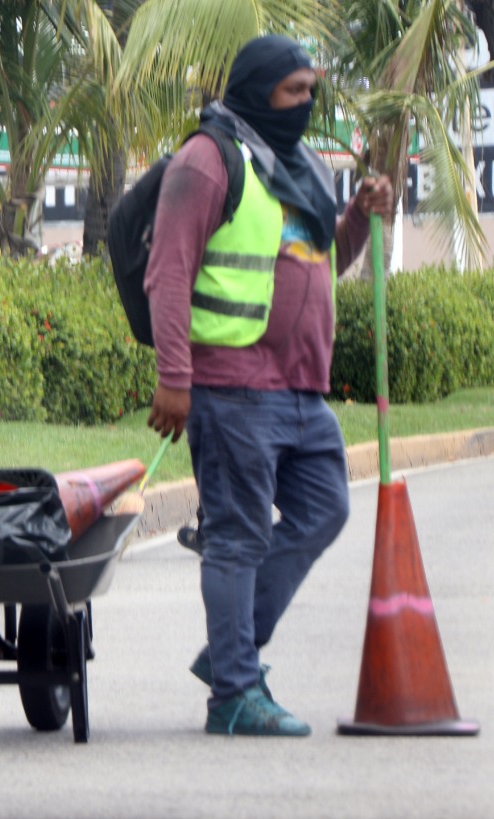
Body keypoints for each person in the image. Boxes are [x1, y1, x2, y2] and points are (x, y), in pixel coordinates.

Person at [144, 35, 394, 736]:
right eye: (294, 92)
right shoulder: (208, 160)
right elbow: (168, 273)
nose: (307, 105)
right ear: (257, 91)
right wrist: (175, 378)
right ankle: (232, 693)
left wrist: (359, 220)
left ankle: (233, 650)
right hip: (231, 386)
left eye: (312, 91)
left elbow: (324, 260)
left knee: (325, 508)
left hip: (300, 390)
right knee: (238, 534)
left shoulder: (298, 164)